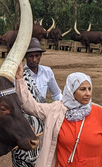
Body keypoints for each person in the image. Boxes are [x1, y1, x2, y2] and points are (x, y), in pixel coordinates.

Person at [15, 63, 102, 167]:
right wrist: (20, 79)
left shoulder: (101, 113)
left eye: (89, 89)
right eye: (82, 89)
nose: (88, 93)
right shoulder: (55, 110)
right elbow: (30, 106)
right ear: (71, 92)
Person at [12, 37, 63, 167]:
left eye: (37, 56)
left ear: (40, 56)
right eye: (30, 56)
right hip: (25, 120)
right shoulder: (18, 75)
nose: (34, 60)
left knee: (43, 153)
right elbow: (14, 101)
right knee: (22, 154)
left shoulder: (47, 72)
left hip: (42, 116)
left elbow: (56, 93)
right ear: (25, 57)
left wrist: (62, 110)